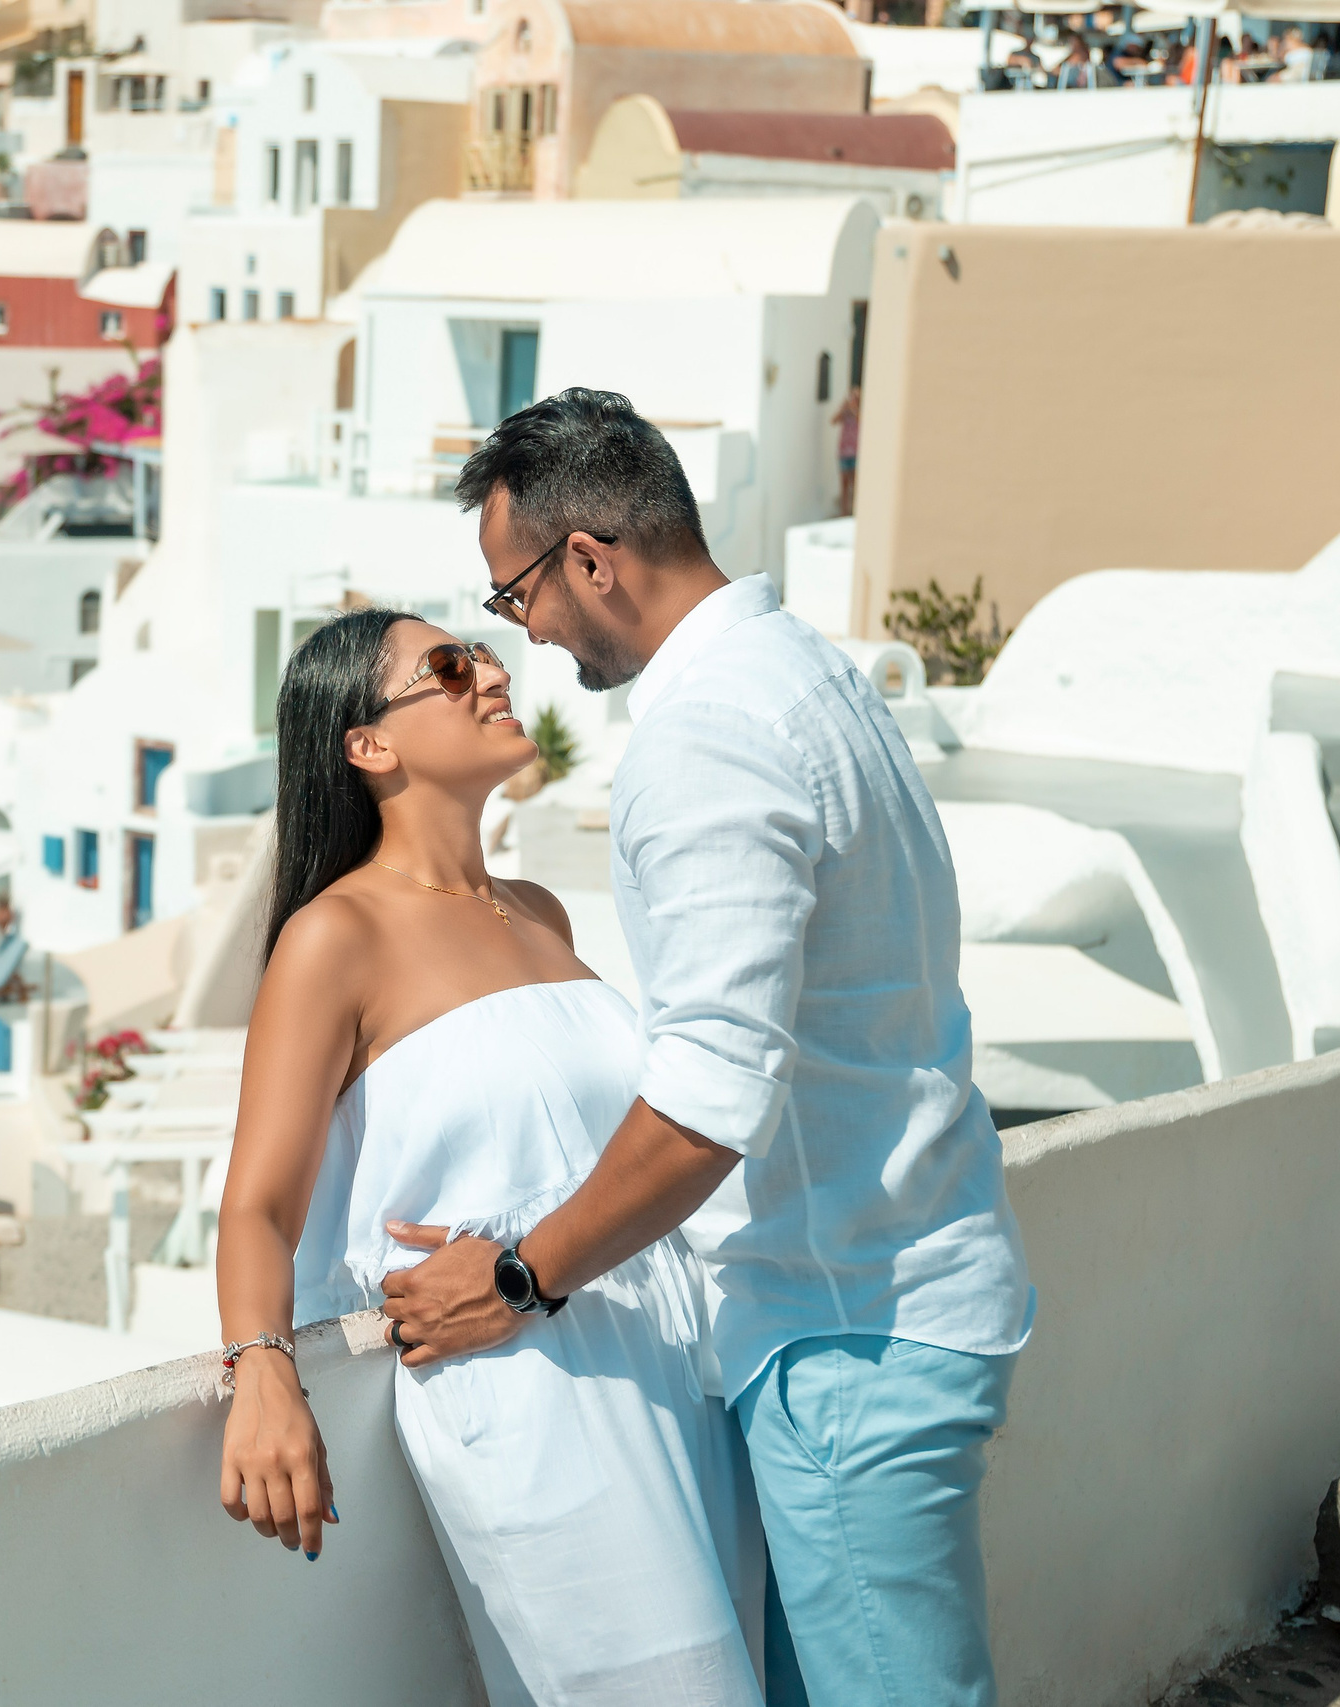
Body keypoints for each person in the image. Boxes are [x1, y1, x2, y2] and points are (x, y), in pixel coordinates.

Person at [385, 389, 1034, 1707]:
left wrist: (512, 1277)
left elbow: (702, 1103)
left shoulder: (705, 737)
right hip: (888, 1291)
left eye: (517, 595)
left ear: (591, 560)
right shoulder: (803, 668)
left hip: (848, 1329)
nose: (527, 634)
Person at [215, 611, 765, 1705]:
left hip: (661, 1356)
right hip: (523, 1394)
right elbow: (257, 1207)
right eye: (448, 667)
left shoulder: (540, 910)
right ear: (368, 745)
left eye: (483, 652)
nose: (489, 674)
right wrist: (261, 1369)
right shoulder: (336, 936)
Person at [830, 384, 862, 517]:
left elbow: (861, 421)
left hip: (855, 452)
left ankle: (855, 511)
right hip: (844, 452)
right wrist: (843, 409)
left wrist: (853, 409)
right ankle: (844, 512)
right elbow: (833, 421)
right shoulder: (845, 411)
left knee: (855, 484)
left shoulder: (859, 411)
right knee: (844, 484)